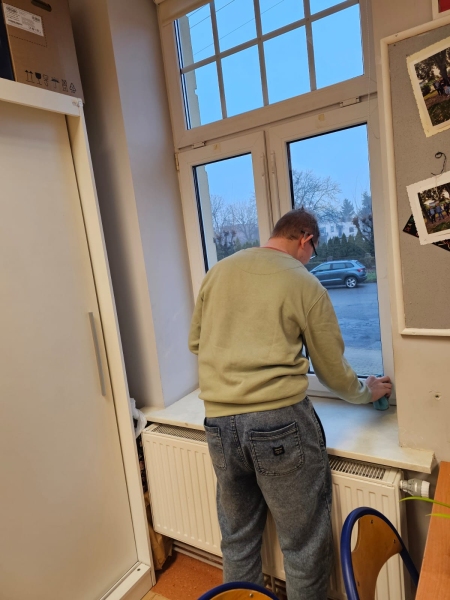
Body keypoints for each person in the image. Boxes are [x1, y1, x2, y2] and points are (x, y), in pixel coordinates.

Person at [188, 208, 392, 600]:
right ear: (305, 239)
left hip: (219, 423)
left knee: (238, 539)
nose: (310, 258)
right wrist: (367, 392)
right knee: (303, 546)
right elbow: (330, 370)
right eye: (312, 251)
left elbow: (196, 343)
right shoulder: (303, 283)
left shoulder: (219, 272)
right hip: (278, 422)